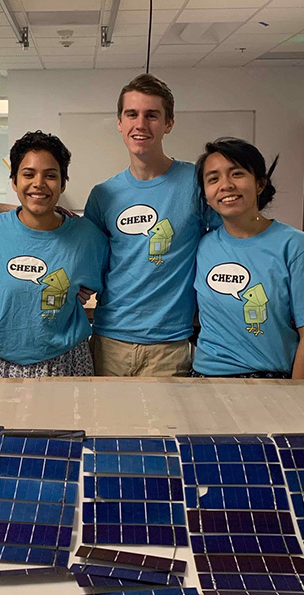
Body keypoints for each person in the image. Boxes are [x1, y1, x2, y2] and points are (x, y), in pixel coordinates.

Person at [83, 74, 213, 377]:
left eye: (151, 115)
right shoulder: (103, 195)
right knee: (107, 425)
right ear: (119, 122)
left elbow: (228, 242)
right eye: (132, 114)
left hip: (168, 346)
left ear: (168, 123)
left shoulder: (196, 183)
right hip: (109, 341)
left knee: (163, 426)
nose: (140, 124)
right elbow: (87, 259)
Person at [192, 137, 304, 378]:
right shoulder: (203, 246)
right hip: (206, 379)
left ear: (260, 184)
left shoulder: (294, 245)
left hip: (270, 381)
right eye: (213, 178)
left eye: (237, 174)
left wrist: (298, 397)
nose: (225, 185)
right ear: (207, 194)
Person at [0, 131, 108, 377]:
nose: (38, 183)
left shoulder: (87, 237)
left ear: (63, 183)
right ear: (14, 181)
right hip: (1, 365)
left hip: (67, 362)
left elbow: (102, 280)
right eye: (28, 174)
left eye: (50, 175)